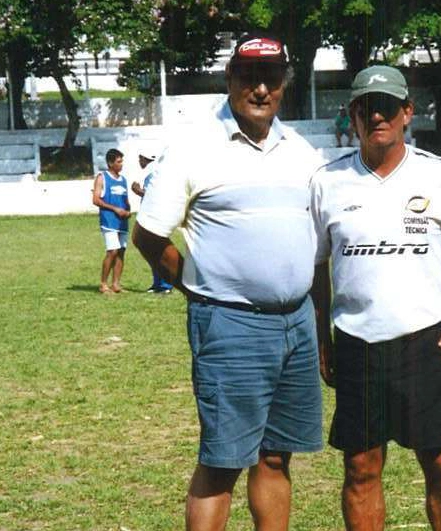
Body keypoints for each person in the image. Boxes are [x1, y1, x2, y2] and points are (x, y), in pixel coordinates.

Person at [310, 65, 441, 531]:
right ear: (353, 115)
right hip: (357, 344)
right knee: (361, 469)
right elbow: (316, 266)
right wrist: (322, 336)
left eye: (386, 106)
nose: (376, 115)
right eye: (366, 106)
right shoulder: (327, 183)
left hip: (426, 343)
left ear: (407, 112)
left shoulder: (439, 175)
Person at [132, 32, 323, 531]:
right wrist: (194, 287)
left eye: (271, 78)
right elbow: (148, 236)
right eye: (249, 77)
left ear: (285, 82)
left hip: (297, 324)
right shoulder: (196, 148)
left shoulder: (302, 151)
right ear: (230, 80)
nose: (261, 89)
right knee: (222, 463)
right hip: (230, 325)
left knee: (276, 457)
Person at [131, 148, 173, 294]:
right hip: (149, 214)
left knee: (157, 250)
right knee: (152, 251)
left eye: (140, 158)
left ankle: (166, 284)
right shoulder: (149, 170)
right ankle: (157, 283)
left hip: (156, 215)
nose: (139, 162)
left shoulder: (153, 170)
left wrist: (140, 191)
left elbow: (152, 192)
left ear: (145, 158)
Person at [92, 148, 131, 294]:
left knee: (121, 251)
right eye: (118, 162)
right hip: (109, 221)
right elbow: (96, 199)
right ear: (110, 163)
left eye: (122, 161)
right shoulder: (102, 178)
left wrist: (127, 210)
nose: (121, 164)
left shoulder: (123, 180)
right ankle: (103, 284)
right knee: (112, 251)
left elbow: (125, 200)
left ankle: (116, 284)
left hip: (122, 221)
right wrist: (115, 209)